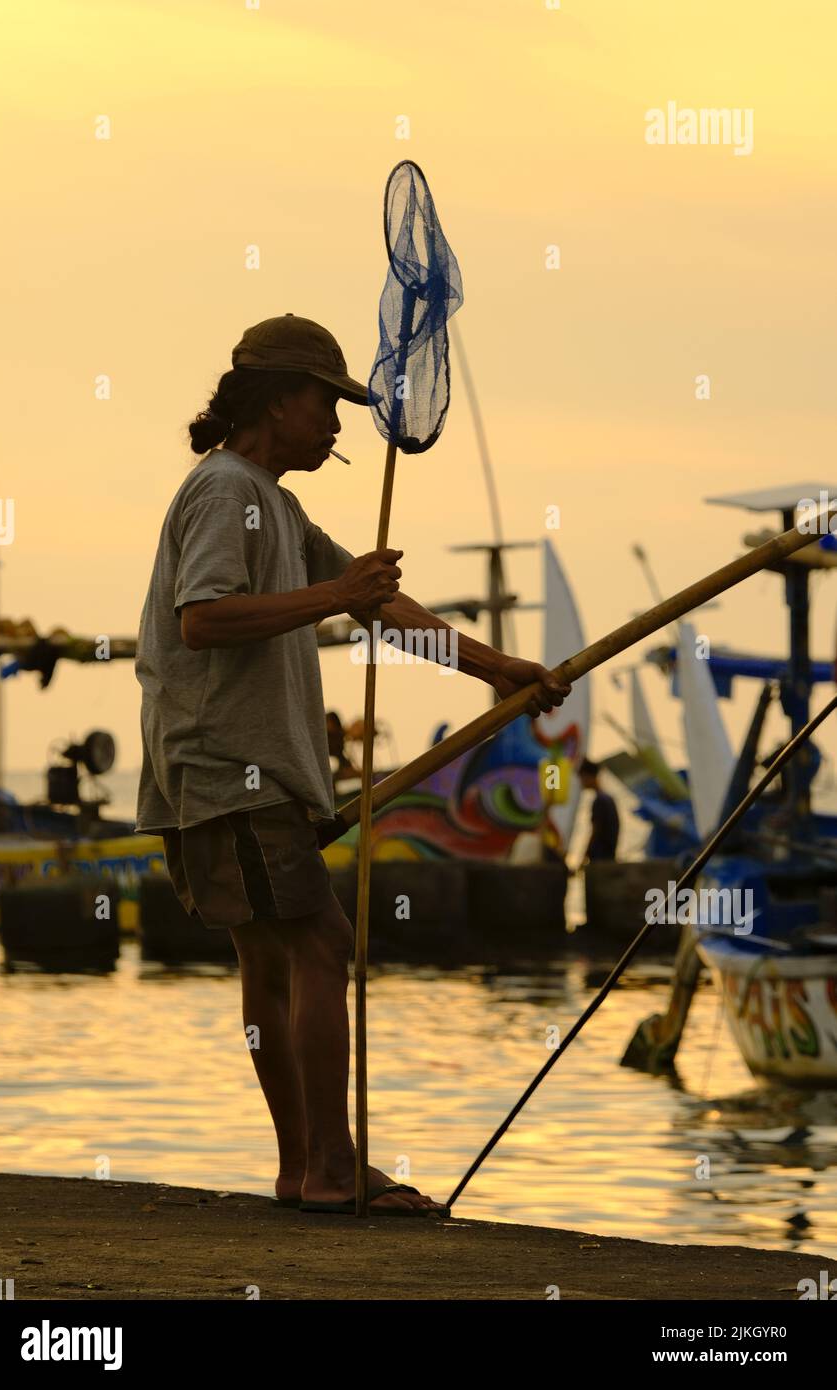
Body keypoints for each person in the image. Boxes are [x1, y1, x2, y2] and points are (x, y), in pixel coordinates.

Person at [134, 313, 571, 1217]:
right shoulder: (226, 491)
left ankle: (306, 1172)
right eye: (325, 402)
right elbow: (203, 619)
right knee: (322, 945)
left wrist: (500, 671)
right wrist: (338, 594)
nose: (338, 425)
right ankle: (330, 1166)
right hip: (229, 767)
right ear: (274, 399)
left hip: (245, 774)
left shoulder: (276, 504)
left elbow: (383, 609)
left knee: (269, 962)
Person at [577, 757, 620, 866]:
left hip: (600, 859)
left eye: (582, 778)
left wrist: (585, 855)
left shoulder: (600, 801)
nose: (581, 782)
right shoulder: (608, 799)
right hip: (609, 857)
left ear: (589, 776)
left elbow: (596, 831)